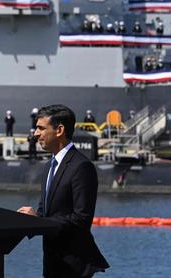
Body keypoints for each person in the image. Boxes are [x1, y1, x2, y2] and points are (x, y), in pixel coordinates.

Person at [18, 105, 109, 277]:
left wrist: (39, 221)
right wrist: (29, 221)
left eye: (41, 128)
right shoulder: (49, 167)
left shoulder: (81, 166)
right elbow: (44, 213)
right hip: (52, 264)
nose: (36, 133)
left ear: (59, 130)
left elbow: (81, 219)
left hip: (73, 267)